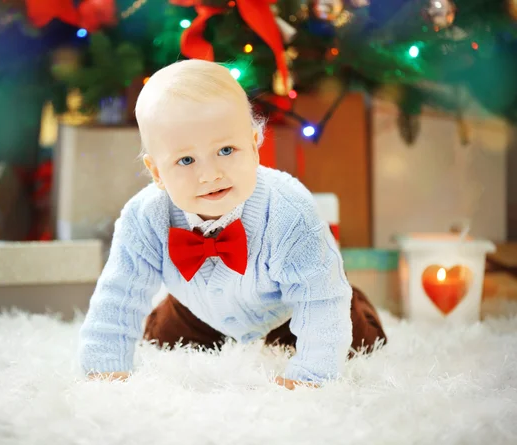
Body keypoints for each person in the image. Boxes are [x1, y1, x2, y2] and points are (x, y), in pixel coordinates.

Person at [78, 59, 386, 389]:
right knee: (161, 339)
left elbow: (318, 299)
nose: (209, 174)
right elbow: (118, 295)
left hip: (288, 311)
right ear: (157, 173)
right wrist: (104, 368)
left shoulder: (288, 210)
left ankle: (356, 307)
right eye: (185, 160)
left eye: (226, 150)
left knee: (356, 339)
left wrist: (313, 376)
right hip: (196, 310)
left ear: (254, 147)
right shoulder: (145, 217)